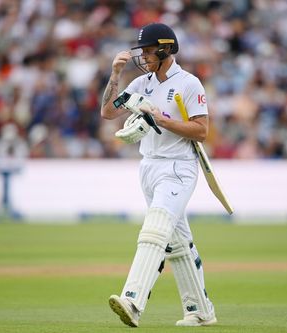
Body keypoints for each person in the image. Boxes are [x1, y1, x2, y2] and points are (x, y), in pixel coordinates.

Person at [100, 22, 217, 327]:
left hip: (178, 167)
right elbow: (109, 112)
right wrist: (115, 75)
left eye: (149, 51)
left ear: (166, 49)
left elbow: (201, 131)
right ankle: (200, 310)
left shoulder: (189, 84)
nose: (144, 57)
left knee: (155, 231)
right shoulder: (140, 84)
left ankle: (133, 300)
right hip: (149, 166)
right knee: (178, 242)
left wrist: (160, 118)